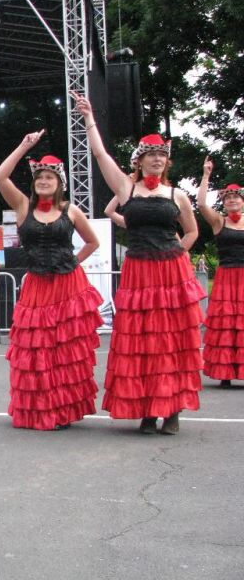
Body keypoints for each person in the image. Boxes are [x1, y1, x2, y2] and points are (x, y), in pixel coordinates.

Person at [74, 92, 204, 434]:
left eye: (162, 155)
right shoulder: (127, 188)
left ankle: (172, 409)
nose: (157, 159)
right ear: (140, 161)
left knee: (172, 341)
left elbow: (191, 232)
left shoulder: (177, 196)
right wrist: (89, 118)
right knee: (143, 341)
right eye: (152, 154)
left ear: (167, 161)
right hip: (139, 272)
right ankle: (149, 409)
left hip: (171, 272)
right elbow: (100, 154)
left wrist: (179, 255)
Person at [0, 131, 103, 430]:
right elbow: (0, 177)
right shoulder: (22, 207)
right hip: (37, 286)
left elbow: (92, 243)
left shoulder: (71, 210)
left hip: (69, 285)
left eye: (49, 178)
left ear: (59, 184)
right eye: (39, 177)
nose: (43, 181)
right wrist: (23, 146)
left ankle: (64, 408)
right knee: (36, 347)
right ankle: (39, 408)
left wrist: (73, 262)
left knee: (65, 349)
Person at [197, 157, 244, 388]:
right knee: (227, 322)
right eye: (228, 198)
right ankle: (225, 371)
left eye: (236, 197)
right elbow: (202, 205)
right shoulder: (219, 222)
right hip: (227, 276)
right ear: (224, 203)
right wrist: (206, 176)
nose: (232, 200)